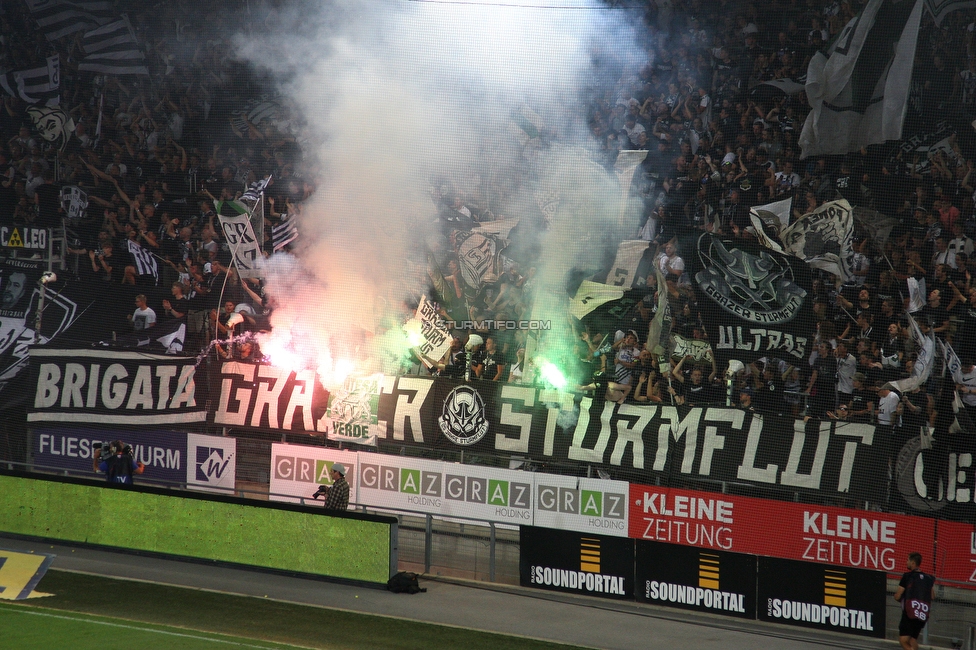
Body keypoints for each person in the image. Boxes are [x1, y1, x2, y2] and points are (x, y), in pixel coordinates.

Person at [894, 552, 936, 650]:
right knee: (912, 640)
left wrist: (896, 597)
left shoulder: (907, 576)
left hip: (909, 613)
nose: (906, 562)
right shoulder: (928, 578)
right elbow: (932, 596)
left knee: (903, 640)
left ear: (913, 563)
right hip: (922, 612)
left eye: (908, 560)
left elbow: (898, 595)